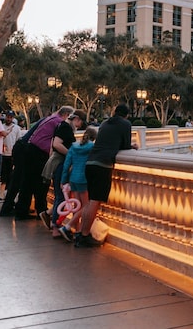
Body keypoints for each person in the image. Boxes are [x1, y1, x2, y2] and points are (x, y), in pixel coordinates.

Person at [75, 103, 137, 248]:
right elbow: (125, 144)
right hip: (103, 165)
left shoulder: (104, 123)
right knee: (95, 202)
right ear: (126, 115)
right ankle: (84, 236)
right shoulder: (125, 124)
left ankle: (81, 233)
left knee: (90, 201)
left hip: (90, 163)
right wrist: (132, 146)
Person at [13, 105, 74, 221]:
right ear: (66, 115)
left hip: (30, 149)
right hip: (39, 153)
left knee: (27, 183)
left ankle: (22, 211)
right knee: (41, 184)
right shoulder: (59, 123)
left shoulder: (50, 118)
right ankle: (41, 210)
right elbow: (55, 143)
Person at [42, 109, 87, 237]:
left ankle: (51, 219)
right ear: (76, 119)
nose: (79, 126)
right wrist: (70, 155)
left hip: (55, 163)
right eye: (80, 123)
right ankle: (56, 227)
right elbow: (57, 144)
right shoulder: (66, 128)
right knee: (61, 196)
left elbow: (52, 144)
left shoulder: (60, 125)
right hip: (60, 164)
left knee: (60, 195)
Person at [58, 125, 96, 241]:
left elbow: (66, 165)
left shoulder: (74, 146)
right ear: (94, 138)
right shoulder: (92, 147)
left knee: (77, 206)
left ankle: (77, 231)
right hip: (83, 179)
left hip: (73, 178)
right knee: (86, 206)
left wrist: (63, 180)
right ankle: (68, 227)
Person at [0, 111, 22, 188]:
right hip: (2, 153)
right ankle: (3, 183)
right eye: (7, 117)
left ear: (12, 118)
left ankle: (8, 186)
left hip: (11, 154)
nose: (8, 119)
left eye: (10, 117)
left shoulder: (16, 128)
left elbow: (18, 140)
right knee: (3, 171)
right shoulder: (1, 127)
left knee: (10, 171)